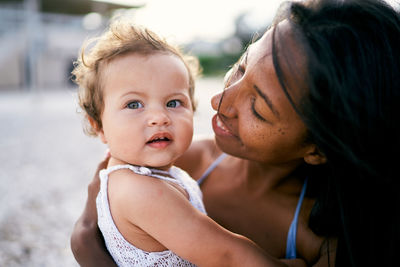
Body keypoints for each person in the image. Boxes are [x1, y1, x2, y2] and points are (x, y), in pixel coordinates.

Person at [71, 0, 400, 266]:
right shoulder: (172, 160)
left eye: (258, 108)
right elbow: (87, 232)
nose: (219, 101)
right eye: (240, 68)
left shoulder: (320, 236)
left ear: (318, 148)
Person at [72, 17, 284, 267]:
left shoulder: (154, 175)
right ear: (99, 125)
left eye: (173, 103)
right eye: (134, 104)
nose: (159, 118)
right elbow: (228, 255)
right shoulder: (139, 190)